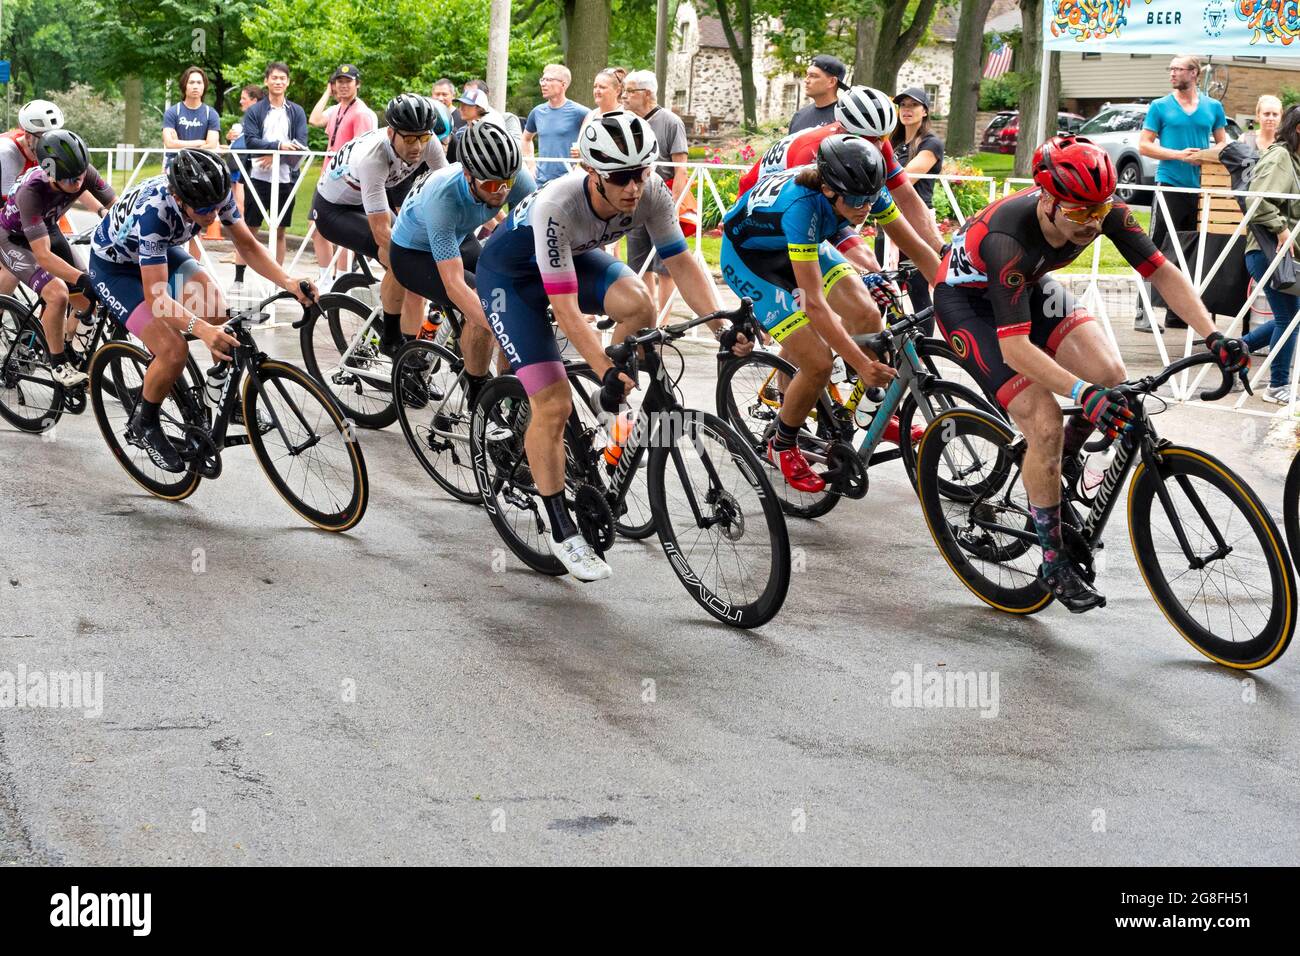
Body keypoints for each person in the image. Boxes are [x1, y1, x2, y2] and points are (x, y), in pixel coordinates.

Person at [933, 135, 1247, 611]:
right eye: (1079, 214)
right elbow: (1015, 348)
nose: (1091, 224)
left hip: (1029, 287)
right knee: (1043, 420)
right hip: (967, 303)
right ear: (1046, 199)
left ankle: (1058, 460)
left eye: (1099, 211)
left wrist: (1212, 335)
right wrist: (1080, 393)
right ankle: (1053, 561)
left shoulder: (1103, 211)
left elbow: (1162, 273)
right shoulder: (1008, 237)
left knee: (1112, 373)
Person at [475, 111, 750, 581]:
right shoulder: (557, 205)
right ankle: (562, 531)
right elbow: (564, 310)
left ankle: (610, 417)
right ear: (593, 174)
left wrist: (721, 323)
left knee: (639, 305)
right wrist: (601, 365)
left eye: (642, 173)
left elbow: (682, 264)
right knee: (554, 404)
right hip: (512, 279)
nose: (634, 187)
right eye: (621, 177)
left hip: (573, 261)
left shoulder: (652, 192)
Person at [721, 135, 939, 493]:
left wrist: (949, 298)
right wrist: (862, 363)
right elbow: (815, 304)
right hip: (750, 260)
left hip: (797, 244)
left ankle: (868, 412)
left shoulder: (864, 190)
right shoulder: (801, 206)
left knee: (867, 312)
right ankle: (782, 442)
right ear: (827, 188)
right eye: (855, 200)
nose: (864, 208)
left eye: (870, 198)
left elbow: (915, 246)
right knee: (818, 362)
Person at [87, 149, 316, 470]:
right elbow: (157, 300)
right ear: (179, 198)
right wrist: (202, 330)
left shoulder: (213, 194)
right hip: (115, 269)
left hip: (161, 252)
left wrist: (289, 281)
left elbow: (247, 245)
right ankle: (145, 422)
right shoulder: (155, 214)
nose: (212, 217)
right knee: (173, 348)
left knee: (221, 314)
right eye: (204, 210)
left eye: (217, 206)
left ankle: (224, 397)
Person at [390, 121, 535, 408]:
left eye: (507, 183)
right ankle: (477, 393)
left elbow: (536, 233)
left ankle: (510, 386)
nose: (501, 192)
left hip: (459, 235)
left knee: (512, 296)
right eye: (492, 185)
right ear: (468, 175)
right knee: (488, 308)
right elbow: (455, 285)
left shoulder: (512, 177)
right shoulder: (443, 196)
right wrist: (498, 324)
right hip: (413, 252)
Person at [739, 86, 944, 261]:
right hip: (757, 208)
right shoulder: (812, 152)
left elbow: (907, 197)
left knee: (869, 264)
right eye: (870, 139)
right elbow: (808, 218)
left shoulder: (877, 142)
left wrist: (942, 249)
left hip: (809, 206)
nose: (879, 145)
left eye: (884, 136)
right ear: (845, 130)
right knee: (848, 271)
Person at [312, 94, 448, 355]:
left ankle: (410, 356)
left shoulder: (427, 142)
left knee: (415, 285)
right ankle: (390, 337)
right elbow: (382, 232)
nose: (417, 146)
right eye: (409, 138)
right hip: (334, 209)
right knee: (402, 259)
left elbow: (447, 188)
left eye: (423, 137)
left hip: (368, 198)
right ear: (390, 133)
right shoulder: (373, 159)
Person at [0, 130, 115, 386]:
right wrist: (81, 278)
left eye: (81, 176)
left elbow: (117, 208)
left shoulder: (82, 170)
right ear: (51, 175)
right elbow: (42, 255)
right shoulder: (31, 192)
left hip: (48, 227)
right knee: (58, 293)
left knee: (87, 298)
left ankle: (64, 341)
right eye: (70, 179)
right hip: (13, 238)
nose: (77, 183)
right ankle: (58, 363)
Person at [1135, 54, 1228, 332]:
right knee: (1154, 249)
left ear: (1194, 73)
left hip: (1201, 188)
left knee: (1190, 252)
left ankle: (1177, 315)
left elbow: (1224, 143)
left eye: (1179, 69)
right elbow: (1144, 145)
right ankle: (1143, 311)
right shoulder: (1160, 106)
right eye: (1171, 69)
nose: (1173, 74)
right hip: (1169, 185)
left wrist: (1208, 155)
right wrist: (1178, 155)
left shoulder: (1213, 107)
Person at [1241, 106, 1300, 404]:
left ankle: (1236, 349)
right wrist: (1281, 230)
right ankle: (1277, 385)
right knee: (1288, 318)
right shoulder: (1281, 157)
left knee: (1290, 318)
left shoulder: (1293, 161)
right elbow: (1257, 199)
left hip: (1280, 256)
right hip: (1268, 252)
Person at [621, 70, 689, 316]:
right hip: (635, 198)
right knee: (639, 262)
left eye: (630, 91)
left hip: (662, 199)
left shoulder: (670, 121)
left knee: (666, 264)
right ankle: (646, 312)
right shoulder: (627, 121)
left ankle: (664, 318)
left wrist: (677, 203)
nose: (624, 96)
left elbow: (680, 167)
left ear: (647, 93)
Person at [308, 64, 377, 277]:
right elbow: (315, 119)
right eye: (339, 82)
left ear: (358, 84)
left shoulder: (362, 113)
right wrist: (328, 92)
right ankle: (326, 277)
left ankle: (342, 275)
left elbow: (361, 149)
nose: (344, 86)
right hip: (328, 177)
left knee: (342, 231)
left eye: (348, 81)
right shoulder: (337, 108)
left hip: (346, 182)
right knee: (316, 227)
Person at [880, 86, 944, 312]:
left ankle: (923, 347)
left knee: (918, 293)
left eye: (914, 105)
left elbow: (906, 180)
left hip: (916, 222)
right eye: (903, 105)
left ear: (925, 111)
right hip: (887, 219)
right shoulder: (894, 143)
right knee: (886, 292)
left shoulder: (930, 143)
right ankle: (893, 345)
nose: (907, 110)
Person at [241, 62, 310, 265]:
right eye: (274, 78)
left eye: (282, 78)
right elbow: (250, 140)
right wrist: (278, 146)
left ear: (288, 82)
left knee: (280, 229)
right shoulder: (255, 111)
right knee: (250, 228)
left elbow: (301, 143)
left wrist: (275, 155)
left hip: (286, 177)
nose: (278, 81)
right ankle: (240, 277)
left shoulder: (296, 112)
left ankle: (277, 279)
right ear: (266, 81)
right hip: (257, 175)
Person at [523, 64, 590, 187]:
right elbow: (526, 138)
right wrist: (531, 166)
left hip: (569, 181)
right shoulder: (537, 112)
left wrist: (582, 155)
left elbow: (593, 142)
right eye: (542, 80)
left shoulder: (581, 113)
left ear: (563, 84)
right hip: (540, 182)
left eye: (548, 80)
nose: (543, 84)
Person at [226, 84, 264, 289]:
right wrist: (229, 139)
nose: (241, 101)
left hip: (250, 172)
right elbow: (237, 145)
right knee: (239, 218)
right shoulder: (242, 122)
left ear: (254, 100)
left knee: (242, 218)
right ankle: (238, 277)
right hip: (236, 171)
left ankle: (265, 278)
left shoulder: (260, 120)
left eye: (244, 98)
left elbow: (253, 145)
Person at [162, 67, 221, 160]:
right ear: (184, 85)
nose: (195, 86)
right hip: (176, 165)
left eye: (199, 82)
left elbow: (212, 145)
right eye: (191, 82)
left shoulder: (211, 114)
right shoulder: (172, 112)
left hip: (203, 166)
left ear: (204, 86)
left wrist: (178, 143)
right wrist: (200, 142)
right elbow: (169, 143)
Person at [788, 55, 846, 134]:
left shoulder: (846, 118)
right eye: (807, 75)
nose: (806, 80)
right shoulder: (798, 116)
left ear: (832, 82)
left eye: (813, 76)